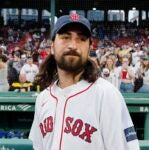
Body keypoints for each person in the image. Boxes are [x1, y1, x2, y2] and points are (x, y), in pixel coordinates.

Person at [29, 13, 140, 150]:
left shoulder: (106, 94)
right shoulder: (43, 98)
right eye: (65, 37)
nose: (73, 45)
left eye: (81, 39)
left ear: (89, 48)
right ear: (52, 46)